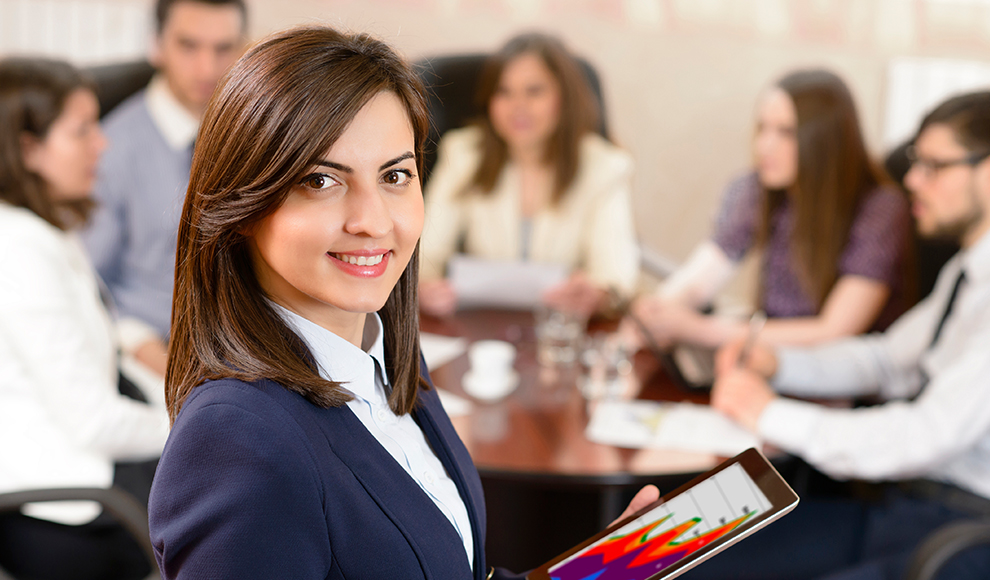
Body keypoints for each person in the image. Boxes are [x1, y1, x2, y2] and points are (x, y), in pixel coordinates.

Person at [147, 26, 657, 579]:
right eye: (321, 180)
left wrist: (597, 573)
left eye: (395, 175)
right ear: (242, 204)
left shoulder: (386, 361)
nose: (374, 221)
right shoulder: (238, 443)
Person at [694, 91, 990, 580]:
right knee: (671, 538)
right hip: (902, 507)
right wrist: (779, 363)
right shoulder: (968, 269)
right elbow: (886, 362)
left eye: (935, 166)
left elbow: (926, 435)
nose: (913, 180)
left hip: (958, 533)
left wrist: (769, 412)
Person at [0, 57, 169, 580]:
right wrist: (195, 420)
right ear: (29, 149)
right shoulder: (20, 253)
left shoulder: (44, 231)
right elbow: (94, 421)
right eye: (82, 131)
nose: (102, 144)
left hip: (92, 476)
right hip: (66, 514)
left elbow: (86, 338)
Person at [629, 69, 911, 349]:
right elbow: (700, 278)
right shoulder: (755, 190)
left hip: (838, 379)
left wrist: (699, 329)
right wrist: (658, 313)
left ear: (826, 140)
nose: (764, 145)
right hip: (767, 360)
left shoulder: (881, 209)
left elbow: (834, 330)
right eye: (762, 128)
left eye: (786, 132)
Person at [418, 32, 639, 319]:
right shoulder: (464, 154)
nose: (517, 106)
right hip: (481, 327)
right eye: (504, 92)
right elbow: (426, 254)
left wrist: (596, 296)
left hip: (561, 328)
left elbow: (615, 274)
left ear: (564, 98)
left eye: (534, 91)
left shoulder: (605, 167)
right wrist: (425, 287)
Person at [82, 0, 247, 377]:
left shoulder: (255, 134)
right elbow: (89, 286)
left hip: (248, 341)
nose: (207, 68)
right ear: (156, 45)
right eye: (188, 46)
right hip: (160, 354)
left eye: (223, 49)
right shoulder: (110, 152)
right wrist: (148, 352)